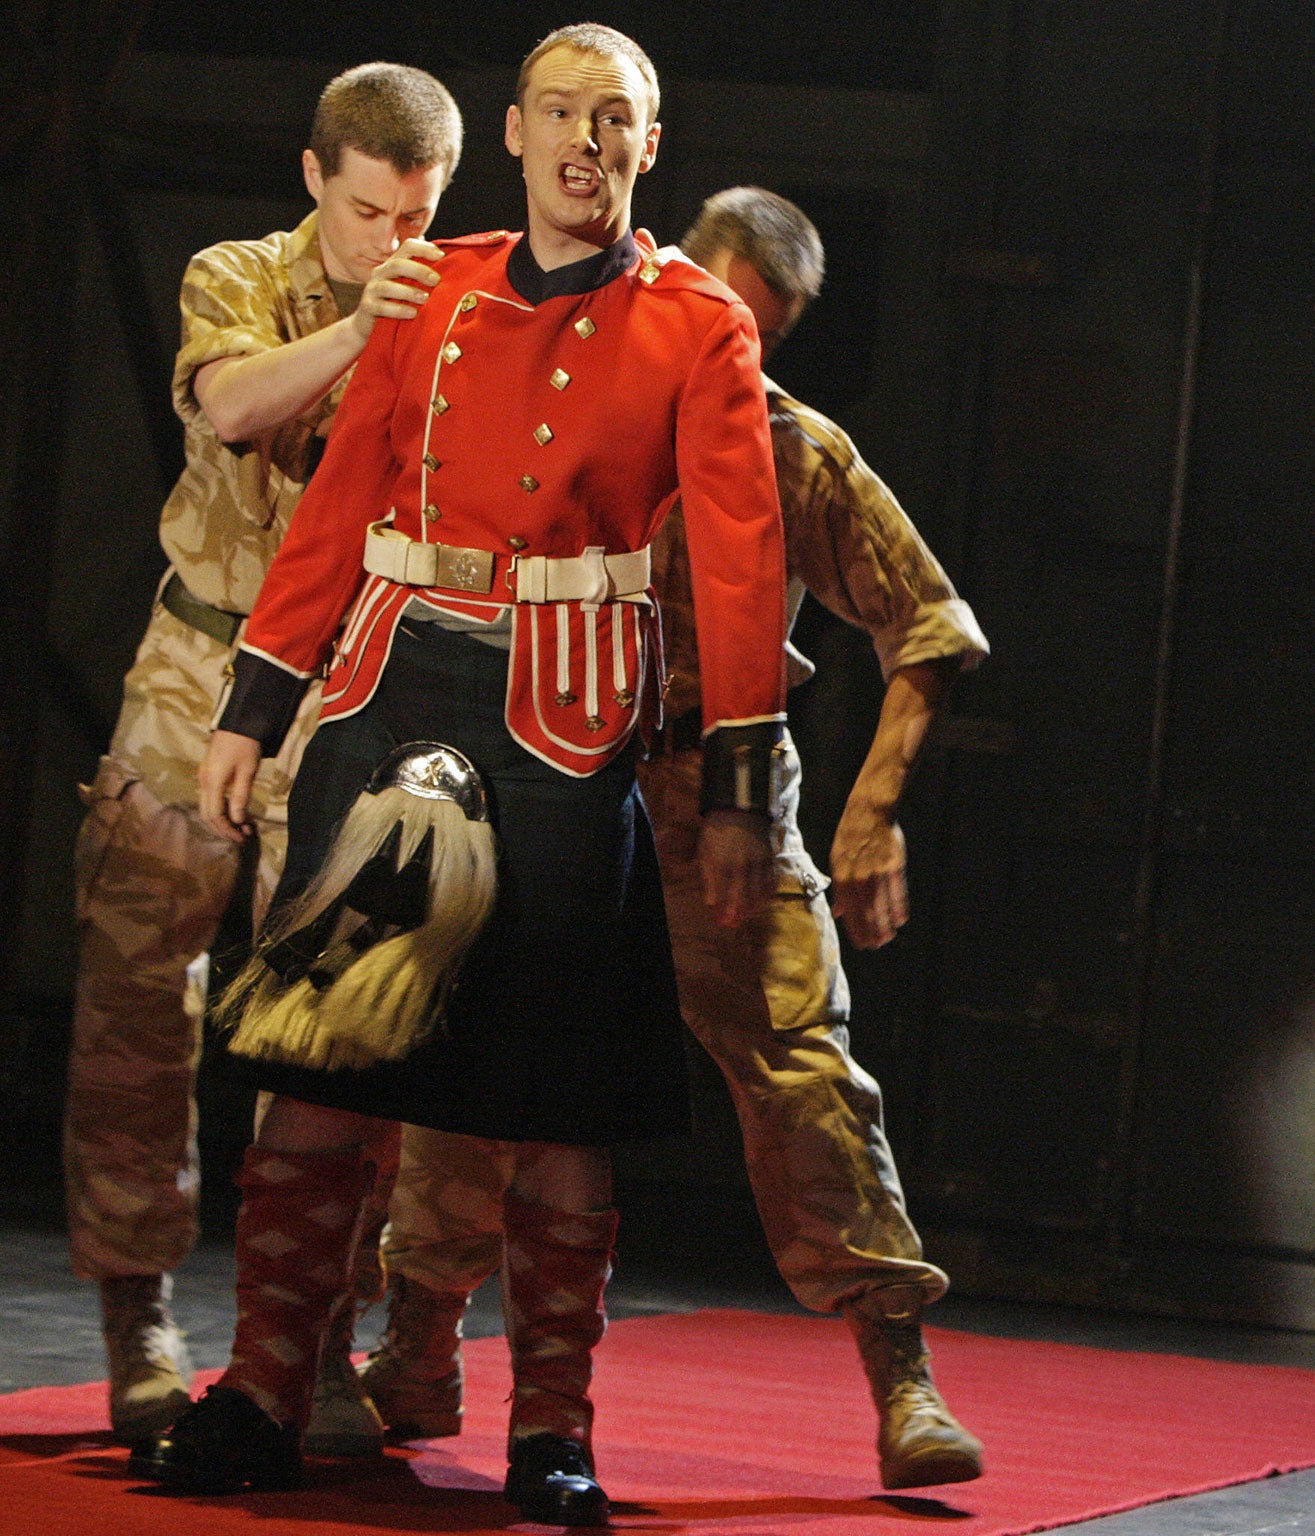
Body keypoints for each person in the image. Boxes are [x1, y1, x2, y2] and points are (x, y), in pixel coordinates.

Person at [131, 26, 790, 1527]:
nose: (583, 141)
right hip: (388, 693)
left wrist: (744, 789)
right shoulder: (432, 289)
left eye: (611, 119)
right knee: (316, 1074)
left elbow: (743, 567)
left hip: (567, 728)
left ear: (648, 145)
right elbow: (343, 497)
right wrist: (252, 708)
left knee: (555, 1109)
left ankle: (552, 1428)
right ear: (512, 129)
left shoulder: (700, 326)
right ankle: (259, 1394)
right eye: (559, 112)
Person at [355, 187, 992, 1490]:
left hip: (722, 781)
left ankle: (900, 1367)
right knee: (467, 1058)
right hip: (549, 762)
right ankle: (416, 1344)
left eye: (756, 334)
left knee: (806, 1071)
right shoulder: (554, 398)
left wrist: (872, 811)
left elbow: (927, 627)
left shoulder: (788, 447)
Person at [64, 61, 461, 1446]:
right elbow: (232, 408)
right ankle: (136, 1314)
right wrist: (365, 327)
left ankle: (314, 1337)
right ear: (317, 178)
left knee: (339, 1023)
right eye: (369, 213)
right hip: (195, 673)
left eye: (418, 217)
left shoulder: (456, 307)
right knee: (138, 1005)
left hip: (342, 688)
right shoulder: (238, 272)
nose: (393, 244)